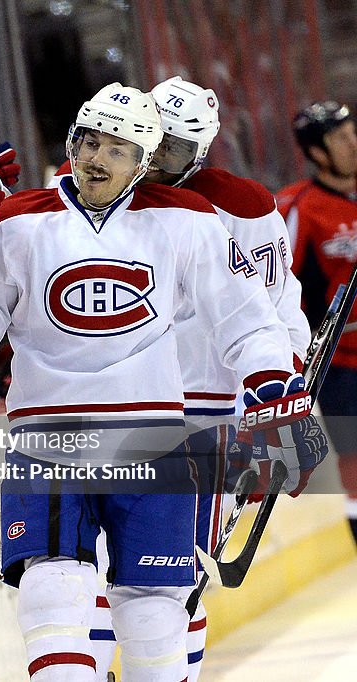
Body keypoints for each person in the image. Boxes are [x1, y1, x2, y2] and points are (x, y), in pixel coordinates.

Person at [0, 83, 325, 681]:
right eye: (89, 143)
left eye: (117, 149)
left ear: (143, 161)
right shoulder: (18, 220)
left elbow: (245, 319)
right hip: (47, 438)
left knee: (155, 610)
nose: (97, 159)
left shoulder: (186, 219)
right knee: (53, 585)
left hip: (154, 440)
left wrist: (273, 387)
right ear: (71, 143)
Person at [86, 76, 312, 682]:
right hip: (121, 407)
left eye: (174, 152)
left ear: (202, 150)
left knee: (174, 571)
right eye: (153, 144)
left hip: (209, 412)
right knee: (106, 563)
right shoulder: (100, 188)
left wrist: (280, 403)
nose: (158, 162)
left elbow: (268, 310)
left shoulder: (240, 204)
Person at [278, 100, 357, 544]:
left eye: (353, 132)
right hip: (343, 364)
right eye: (341, 137)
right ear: (319, 153)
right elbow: (281, 288)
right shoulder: (300, 208)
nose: (353, 143)